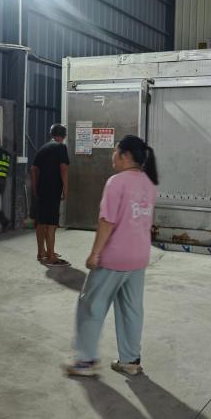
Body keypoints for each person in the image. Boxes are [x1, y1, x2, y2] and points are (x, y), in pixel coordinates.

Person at [65, 135, 158, 377]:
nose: (112, 156)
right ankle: (130, 361)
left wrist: (95, 253)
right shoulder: (148, 183)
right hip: (139, 257)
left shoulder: (116, 182)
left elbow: (107, 221)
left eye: (115, 151)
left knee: (90, 306)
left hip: (115, 257)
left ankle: (85, 361)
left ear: (125, 155)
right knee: (131, 310)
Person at [31, 124, 70, 267]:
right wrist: (65, 189)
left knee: (41, 222)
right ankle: (51, 256)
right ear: (64, 136)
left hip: (41, 190)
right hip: (53, 190)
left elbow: (33, 169)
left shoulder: (43, 148)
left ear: (51, 134)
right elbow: (63, 168)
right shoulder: (61, 147)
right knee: (52, 224)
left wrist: (35, 188)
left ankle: (41, 252)